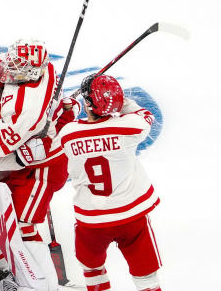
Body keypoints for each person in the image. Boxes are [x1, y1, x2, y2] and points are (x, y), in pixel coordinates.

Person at [0, 40, 78, 290]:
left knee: (18, 228)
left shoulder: (22, 109)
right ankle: (3, 275)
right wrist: (24, 157)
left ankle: (41, 279)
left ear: (7, 86)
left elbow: (2, 146)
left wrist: (57, 115)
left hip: (7, 168)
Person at [55, 74, 162, 291]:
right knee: (146, 276)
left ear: (88, 103)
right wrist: (120, 102)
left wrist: (66, 111)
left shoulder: (69, 134)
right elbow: (145, 115)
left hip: (92, 221)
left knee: (92, 269)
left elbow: (56, 133)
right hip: (131, 216)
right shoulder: (130, 127)